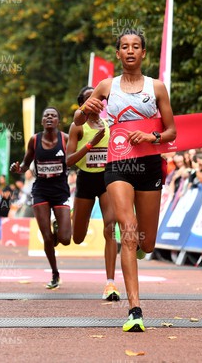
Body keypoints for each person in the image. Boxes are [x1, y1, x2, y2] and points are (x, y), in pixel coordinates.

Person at [74, 29, 176, 332]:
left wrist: (150, 136)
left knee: (147, 240)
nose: (129, 51)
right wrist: (84, 110)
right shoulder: (107, 86)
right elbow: (79, 120)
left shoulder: (157, 88)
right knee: (127, 231)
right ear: (118, 54)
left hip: (148, 165)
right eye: (124, 47)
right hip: (118, 164)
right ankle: (135, 310)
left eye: (135, 47)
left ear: (144, 53)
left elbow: (171, 131)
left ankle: (141, 249)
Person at [66, 86, 120, 301]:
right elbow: (68, 161)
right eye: (90, 99)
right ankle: (68, 218)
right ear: (83, 104)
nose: (95, 102)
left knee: (110, 227)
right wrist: (90, 144)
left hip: (106, 179)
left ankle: (110, 284)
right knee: (77, 238)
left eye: (98, 98)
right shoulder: (77, 127)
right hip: (85, 179)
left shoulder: (109, 125)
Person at [11, 106, 71, 290]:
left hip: (60, 191)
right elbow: (25, 165)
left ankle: (57, 229)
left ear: (58, 121)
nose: (50, 118)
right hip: (41, 191)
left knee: (65, 238)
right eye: (46, 116)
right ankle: (55, 273)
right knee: (46, 238)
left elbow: (75, 159)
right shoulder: (34, 140)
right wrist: (18, 168)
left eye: (54, 115)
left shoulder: (65, 139)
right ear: (42, 121)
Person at [0, 175, 12, 240]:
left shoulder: (7, 187)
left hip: (5, 207)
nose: (1, 180)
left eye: (2, 179)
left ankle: (6, 235)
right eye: (0, 179)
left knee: (5, 221)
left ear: (5, 179)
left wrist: (1, 193)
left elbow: (7, 196)